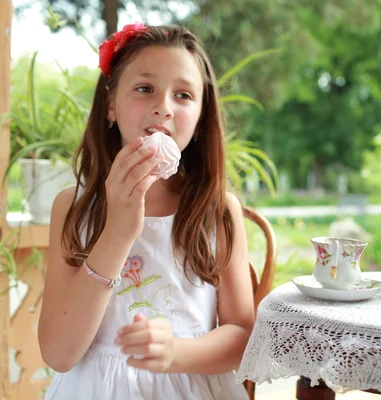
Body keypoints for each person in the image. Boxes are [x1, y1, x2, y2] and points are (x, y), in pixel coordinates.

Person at [38, 23, 255, 400]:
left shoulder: (218, 211)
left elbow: (242, 336)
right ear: (110, 104)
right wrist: (118, 232)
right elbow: (58, 353)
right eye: (144, 89)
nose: (163, 107)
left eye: (184, 95)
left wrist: (176, 352)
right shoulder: (72, 208)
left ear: (202, 118)